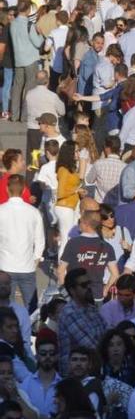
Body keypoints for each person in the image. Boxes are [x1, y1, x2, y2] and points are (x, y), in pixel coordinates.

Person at [0, 175, 44, 311]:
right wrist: (36, 259)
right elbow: (40, 240)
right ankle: (29, 331)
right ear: (24, 189)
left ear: (7, 189)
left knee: (5, 308)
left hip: (5, 265)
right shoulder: (33, 212)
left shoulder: (1, 210)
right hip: (27, 266)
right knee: (31, 309)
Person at [58, 209, 118, 300]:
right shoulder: (107, 247)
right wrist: (105, 290)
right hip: (97, 296)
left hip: (77, 296)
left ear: (86, 224)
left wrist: (66, 293)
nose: (78, 224)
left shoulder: (73, 243)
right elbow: (115, 274)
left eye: (80, 221)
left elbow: (60, 271)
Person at [57, 268, 107, 376]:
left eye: (89, 283)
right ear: (72, 290)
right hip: (75, 377)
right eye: (84, 285)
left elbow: (107, 334)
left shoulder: (92, 308)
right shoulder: (69, 313)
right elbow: (92, 346)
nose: (89, 287)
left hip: (92, 371)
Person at [21, 335, 61, 418]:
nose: (48, 356)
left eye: (52, 353)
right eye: (43, 353)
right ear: (37, 356)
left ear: (57, 356)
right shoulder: (26, 383)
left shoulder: (63, 385)